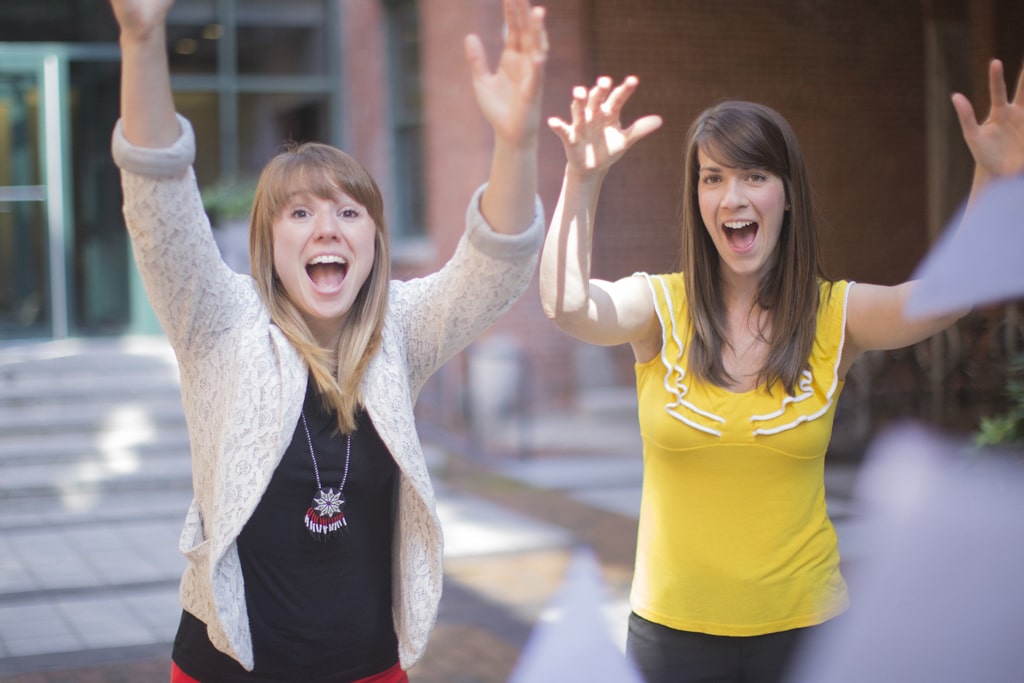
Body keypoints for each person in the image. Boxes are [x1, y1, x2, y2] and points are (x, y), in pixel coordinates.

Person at [539, 61, 1024, 683]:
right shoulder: (659, 308)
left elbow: (945, 299)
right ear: (697, 198)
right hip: (670, 637)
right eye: (712, 178)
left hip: (807, 635)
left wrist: (992, 180)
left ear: (787, 194)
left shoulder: (834, 315)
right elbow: (566, 306)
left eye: (754, 175)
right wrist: (581, 178)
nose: (732, 197)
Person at [108, 0, 548, 680]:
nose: (327, 229)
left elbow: (494, 268)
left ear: (373, 240)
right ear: (268, 242)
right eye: (299, 212)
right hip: (224, 667)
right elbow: (159, 198)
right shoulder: (220, 320)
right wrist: (142, 37)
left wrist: (516, 143)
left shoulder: (400, 328)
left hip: (368, 667)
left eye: (349, 210)